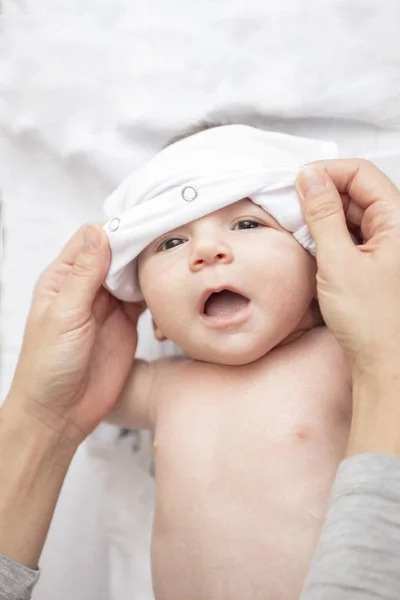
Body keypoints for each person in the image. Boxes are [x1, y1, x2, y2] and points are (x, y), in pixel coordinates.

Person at [0, 157, 400, 600]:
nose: (206, 252)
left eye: (247, 225)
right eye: (170, 243)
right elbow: (72, 394)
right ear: (157, 323)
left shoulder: (349, 357)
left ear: (323, 272)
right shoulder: (161, 386)